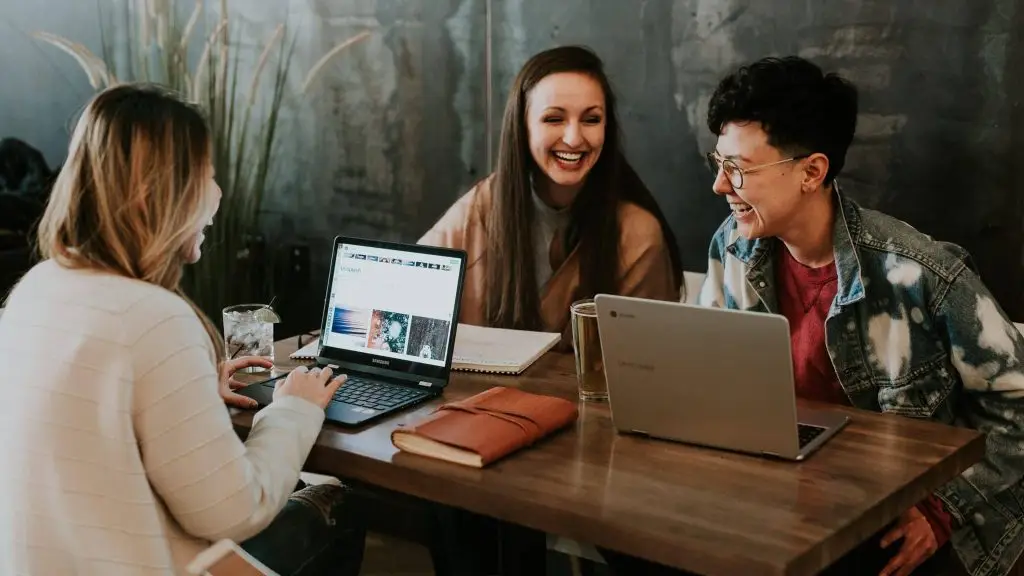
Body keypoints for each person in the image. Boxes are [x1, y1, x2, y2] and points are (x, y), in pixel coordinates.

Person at [0, 84, 366, 576]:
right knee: (338, 506)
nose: (217, 195)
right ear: (160, 194)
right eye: (207, 176)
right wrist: (294, 410)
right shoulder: (154, 317)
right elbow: (237, 510)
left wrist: (189, 389)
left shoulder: (35, 288)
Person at [690, 56, 1024, 576]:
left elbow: (1017, 407)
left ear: (812, 172)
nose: (719, 185)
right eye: (718, 162)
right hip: (783, 501)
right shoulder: (731, 248)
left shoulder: (920, 273)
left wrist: (942, 512)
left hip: (896, 517)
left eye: (738, 168)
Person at [419, 44, 683, 344]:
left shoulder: (637, 235)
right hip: (481, 391)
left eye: (591, 119)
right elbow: (405, 295)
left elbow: (644, 365)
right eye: (554, 119)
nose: (573, 138)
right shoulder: (481, 207)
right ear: (522, 127)